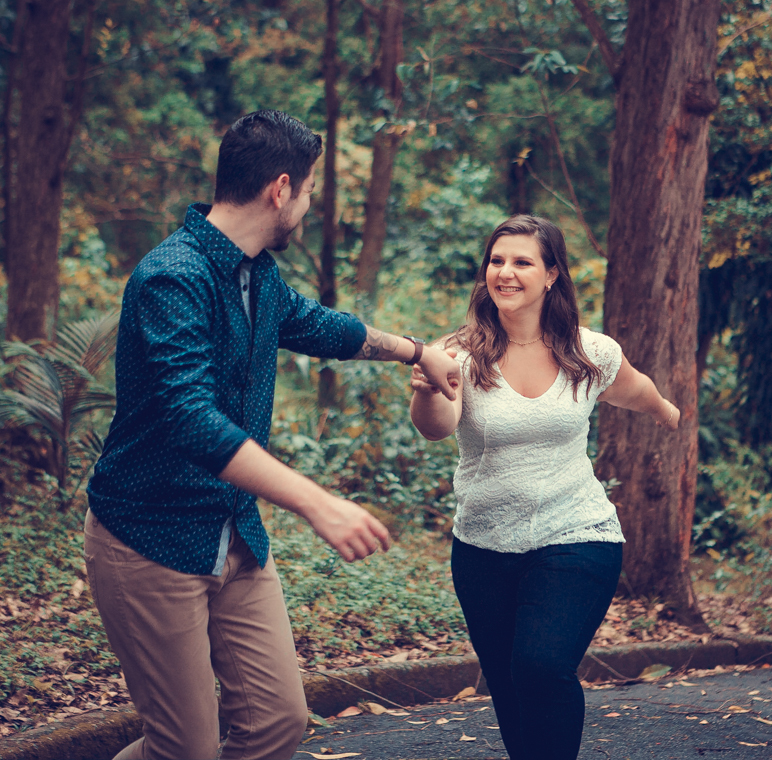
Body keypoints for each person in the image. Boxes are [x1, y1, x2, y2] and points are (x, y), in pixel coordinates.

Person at [84, 109, 461, 760]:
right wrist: (317, 502)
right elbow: (191, 420)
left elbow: (316, 326)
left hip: (235, 538)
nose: (310, 206)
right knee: (184, 749)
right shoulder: (172, 276)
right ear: (280, 189)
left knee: (277, 723)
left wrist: (416, 351)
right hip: (150, 538)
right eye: (311, 191)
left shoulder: (258, 273)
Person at [409, 214, 680, 760]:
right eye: (496, 260)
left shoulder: (589, 353)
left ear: (552, 274)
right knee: (509, 686)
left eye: (522, 262)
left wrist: (670, 413)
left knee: (540, 665)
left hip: (578, 534)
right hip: (483, 546)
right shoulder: (458, 354)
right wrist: (426, 389)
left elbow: (636, 389)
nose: (505, 273)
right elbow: (435, 427)